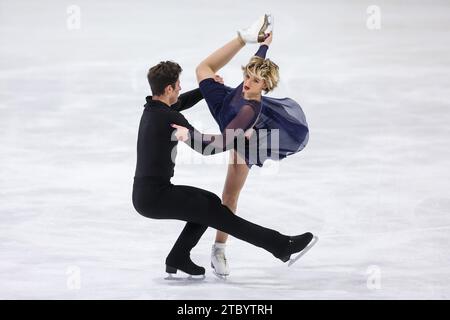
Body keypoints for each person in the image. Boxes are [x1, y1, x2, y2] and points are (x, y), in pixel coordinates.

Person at [132, 57, 316, 279]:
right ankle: (280, 245)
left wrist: (205, 89)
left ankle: (178, 256)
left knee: (209, 201)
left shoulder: (154, 108)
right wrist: (239, 138)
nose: (181, 87)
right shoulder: (170, 118)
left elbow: (180, 102)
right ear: (169, 88)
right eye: (178, 84)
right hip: (154, 198)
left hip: (150, 193)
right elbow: (207, 148)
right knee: (217, 215)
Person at [175, 14, 310, 277]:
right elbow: (257, 62)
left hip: (239, 135)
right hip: (225, 103)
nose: (248, 82)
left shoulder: (250, 109)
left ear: (266, 86)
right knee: (203, 69)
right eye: (248, 75)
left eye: (256, 81)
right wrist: (264, 43)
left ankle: (218, 249)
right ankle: (241, 37)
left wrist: (188, 135)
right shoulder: (248, 82)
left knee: (228, 197)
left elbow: (218, 144)